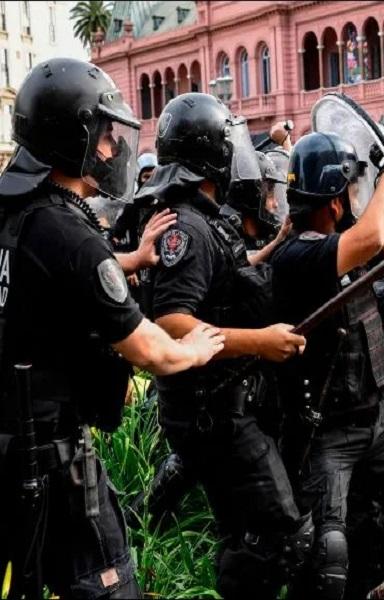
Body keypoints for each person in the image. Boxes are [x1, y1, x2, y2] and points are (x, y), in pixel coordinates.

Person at [0, 58, 225, 600]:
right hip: (54, 460)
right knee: (108, 584)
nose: (111, 149)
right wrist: (195, 348)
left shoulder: (18, 211)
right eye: (103, 136)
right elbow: (151, 352)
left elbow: (51, 269)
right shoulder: (68, 233)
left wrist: (130, 259)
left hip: (9, 442)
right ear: (70, 136)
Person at [270, 132, 384, 599]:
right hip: (325, 433)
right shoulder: (297, 254)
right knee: (326, 556)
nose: (357, 199)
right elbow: (371, 237)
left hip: (373, 420)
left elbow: (381, 268)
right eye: (354, 190)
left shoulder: (338, 248)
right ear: (335, 202)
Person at [141, 92, 312, 599]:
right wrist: (259, 341)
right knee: (277, 536)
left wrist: (276, 245)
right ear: (213, 154)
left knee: (249, 533)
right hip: (210, 412)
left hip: (217, 408)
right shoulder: (189, 227)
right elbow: (172, 322)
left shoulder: (202, 218)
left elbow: (224, 278)